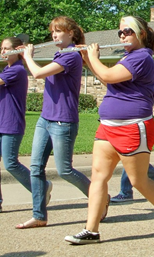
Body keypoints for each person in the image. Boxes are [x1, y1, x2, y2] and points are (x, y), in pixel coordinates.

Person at [65, 15, 154, 244]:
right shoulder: (128, 57)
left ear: (141, 34)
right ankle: (92, 230)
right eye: (120, 32)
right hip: (107, 126)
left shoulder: (142, 57)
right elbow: (109, 81)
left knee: (139, 181)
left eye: (127, 31)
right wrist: (88, 59)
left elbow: (107, 74)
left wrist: (94, 57)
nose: (122, 35)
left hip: (132, 127)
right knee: (98, 176)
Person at [16, 16, 91, 229]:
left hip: (63, 121)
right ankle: (39, 216)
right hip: (45, 119)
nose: (54, 35)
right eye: (52, 32)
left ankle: (98, 196)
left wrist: (27, 56)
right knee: (36, 167)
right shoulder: (60, 54)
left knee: (64, 170)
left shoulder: (72, 55)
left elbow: (38, 74)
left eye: (58, 31)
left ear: (71, 34)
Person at [0, 37, 53, 213]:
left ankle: (41, 188)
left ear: (17, 51)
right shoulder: (5, 70)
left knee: (10, 164)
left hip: (10, 124)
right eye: (2, 49)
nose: (3, 52)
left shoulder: (17, 71)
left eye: (7, 49)